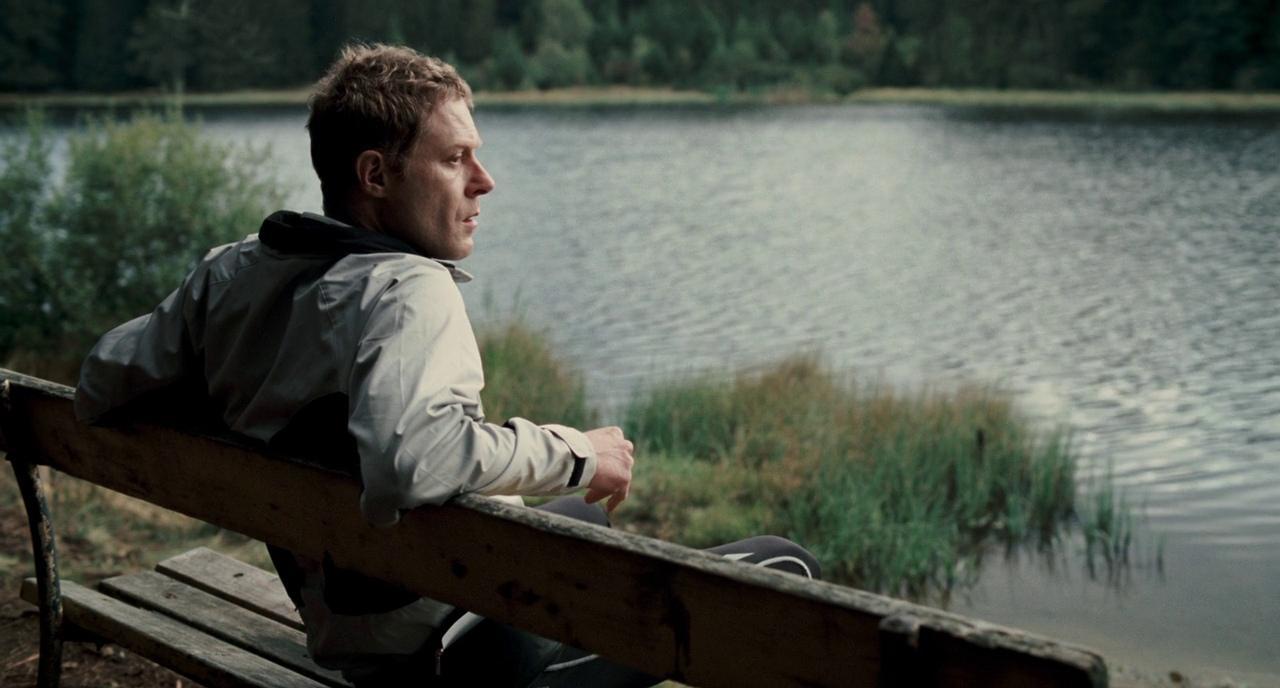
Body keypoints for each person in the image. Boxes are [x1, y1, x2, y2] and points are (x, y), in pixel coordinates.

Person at [74, 44, 819, 687]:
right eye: (455, 158)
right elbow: (411, 463)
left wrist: (252, 401)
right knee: (784, 564)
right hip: (443, 663)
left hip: (350, 629)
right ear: (375, 174)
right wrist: (578, 450)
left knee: (583, 510)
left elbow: (102, 379)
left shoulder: (233, 271)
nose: (484, 181)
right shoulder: (405, 290)